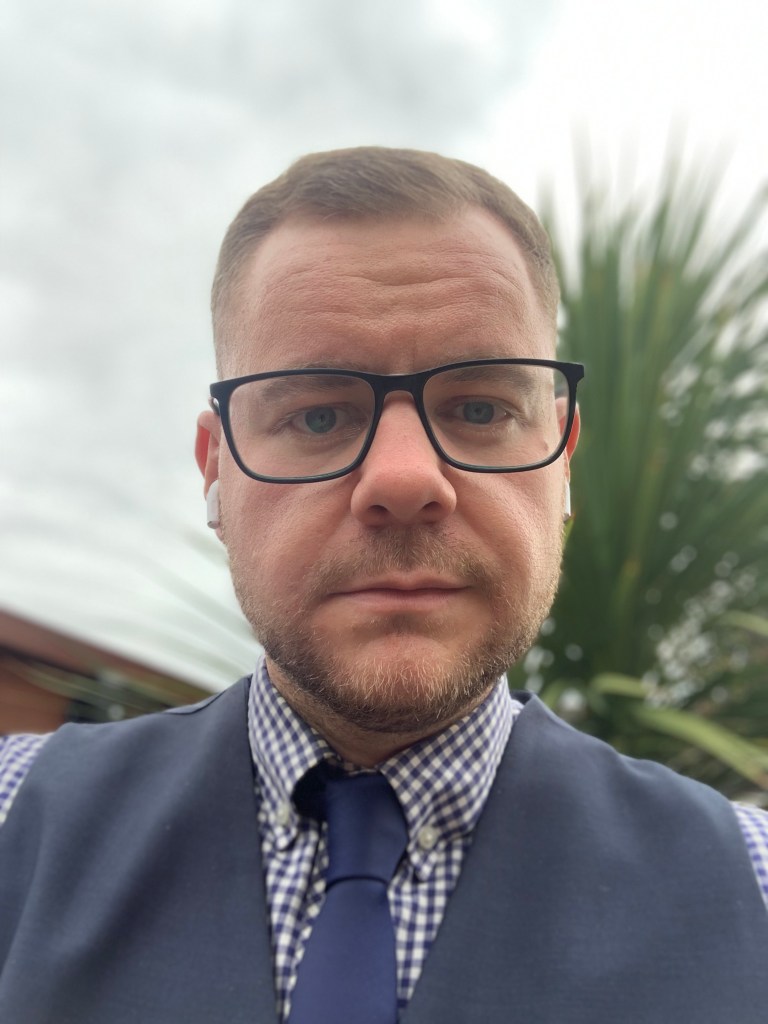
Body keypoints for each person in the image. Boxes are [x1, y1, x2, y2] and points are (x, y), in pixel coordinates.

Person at [1, 148, 767, 1024]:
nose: (404, 479)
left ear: (563, 464)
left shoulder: (752, 884)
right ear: (217, 471)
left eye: (481, 409)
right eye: (318, 416)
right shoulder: (15, 819)